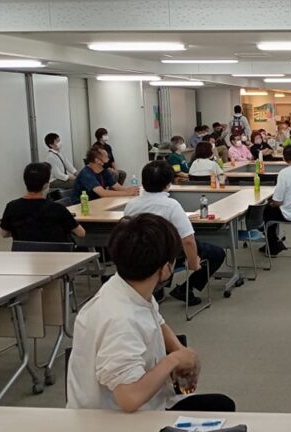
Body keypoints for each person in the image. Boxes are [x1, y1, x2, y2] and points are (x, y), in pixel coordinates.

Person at [66, 213, 235, 412]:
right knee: (222, 409)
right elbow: (129, 398)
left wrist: (180, 350)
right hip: (115, 420)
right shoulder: (121, 321)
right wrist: (173, 360)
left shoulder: (125, 286)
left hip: (141, 406)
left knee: (221, 404)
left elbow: (157, 320)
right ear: (165, 269)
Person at [124, 160, 226, 306]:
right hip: (168, 254)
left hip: (142, 254)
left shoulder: (131, 205)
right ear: (168, 184)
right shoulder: (171, 206)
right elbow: (188, 241)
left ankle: (158, 287)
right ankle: (186, 288)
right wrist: (193, 264)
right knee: (217, 254)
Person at [0, 162, 86, 243]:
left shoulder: (12, 207)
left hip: (24, 252)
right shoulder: (57, 209)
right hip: (55, 253)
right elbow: (81, 233)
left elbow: (4, 234)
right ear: (46, 185)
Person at [71, 147, 139, 204]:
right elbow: (102, 193)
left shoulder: (104, 171)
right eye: (106, 157)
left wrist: (133, 190)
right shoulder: (86, 174)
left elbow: (118, 187)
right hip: (82, 206)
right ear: (97, 160)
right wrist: (127, 193)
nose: (108, 160)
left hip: (97, 203)